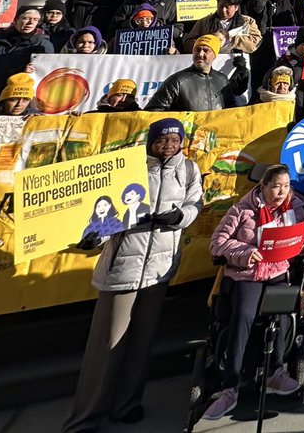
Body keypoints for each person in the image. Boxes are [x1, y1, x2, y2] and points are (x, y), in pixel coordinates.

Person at [64, 118, 203, 432]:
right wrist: (95, 236)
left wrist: (180, 216)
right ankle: (86, 417)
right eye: (162, 140)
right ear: (151, 141)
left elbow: (195, 203)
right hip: (123, 265)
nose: (168, 145)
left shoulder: (189, 170)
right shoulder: (129, 167)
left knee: (142, 341)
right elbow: (104, 210)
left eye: (174, 140)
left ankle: (127, 403)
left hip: (159, 267)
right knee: (107, 347)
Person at [200, 164, 304, 421]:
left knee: (283, 313)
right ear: (263, 187)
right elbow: (217, 243)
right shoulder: (242, 210)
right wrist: (246, 253)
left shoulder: (293, 208)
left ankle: (275, 372)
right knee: (244, 315)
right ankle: (230, 386)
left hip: (278, 270)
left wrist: (303, 241)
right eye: (276, 187)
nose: (281, 192)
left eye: (285, 186)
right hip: (247, 273)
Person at [146, 35, 248, 112]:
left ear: (215, 55)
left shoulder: (222, 80)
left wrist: (243, 71)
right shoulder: (177, 81)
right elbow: (153, 111)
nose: (200, 54)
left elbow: (231, 111)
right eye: (197, 50)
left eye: (206, 50)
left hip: (215, 137)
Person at [181, 0, 261, 54]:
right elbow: (188, 44)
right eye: (221, 6)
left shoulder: (247, 21)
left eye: (227, 7)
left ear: (236, 7)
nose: (223, 10)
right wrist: (207, 42)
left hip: (236, 62)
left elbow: (255, 42)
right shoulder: (205, 22)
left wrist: (232, 40)